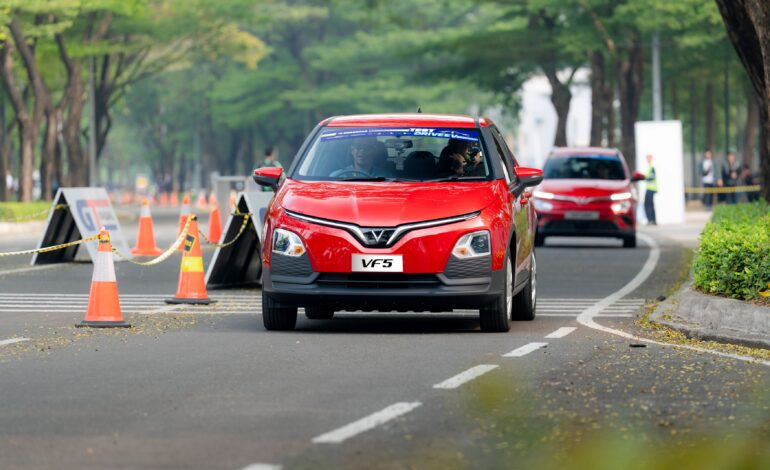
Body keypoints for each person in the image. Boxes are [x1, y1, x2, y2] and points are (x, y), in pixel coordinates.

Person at [644, 154, 657, 225]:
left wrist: (645, 178)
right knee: (651, 205)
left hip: (650, 189)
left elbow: (652, 177)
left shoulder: (651, 167)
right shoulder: (650, 167)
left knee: (648, 205)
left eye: (648, 158)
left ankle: (651, 220)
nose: (647, 160)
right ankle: (652, 220)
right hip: (650, 189)